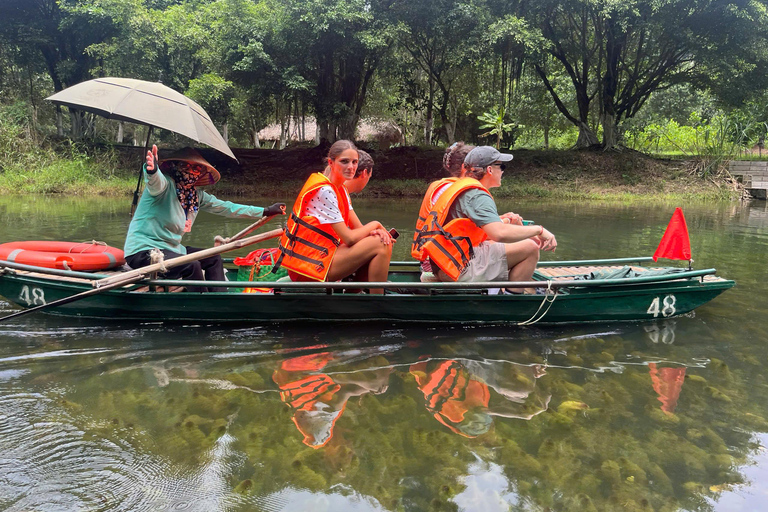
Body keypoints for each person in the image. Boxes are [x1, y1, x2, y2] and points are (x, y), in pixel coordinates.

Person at [124, 145, 285, 292]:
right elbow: (155, 182)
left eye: (197, 168)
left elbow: (228, 208)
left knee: (213, 257)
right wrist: (151, 170)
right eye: (187, 166)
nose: (192, 171)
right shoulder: (165, 186)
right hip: (144, 252)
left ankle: (220, 297)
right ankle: (202, 302)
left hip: (172, 250)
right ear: (175, 167)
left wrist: (266, 211)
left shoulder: (195, 196)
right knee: (191, 265)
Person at [412, 146, 556, 293]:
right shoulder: (477, 195)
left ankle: (508, 290)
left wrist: (509, 223)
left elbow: (478, 230)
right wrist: (539, 230)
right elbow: (498, 234)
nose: (503, 171)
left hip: (444, 264)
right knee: (530, 248)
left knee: (512, 245)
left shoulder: (460, 187)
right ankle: (513, 304)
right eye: (501, 166)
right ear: (489, 170)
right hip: (457, 268)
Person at [273, 140, 394, 294]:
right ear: (331, 162)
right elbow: (349, 238)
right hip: (308, 267)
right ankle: (377, 306)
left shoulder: (340, 189)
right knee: (381, 244)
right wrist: (376, 225)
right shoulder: (325, 191)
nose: (351, 167)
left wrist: (377, 231)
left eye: (354, 162)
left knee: (379, 240)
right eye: (344, 162)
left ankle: (354, 295)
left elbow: (360, 230)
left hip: (322, 256)